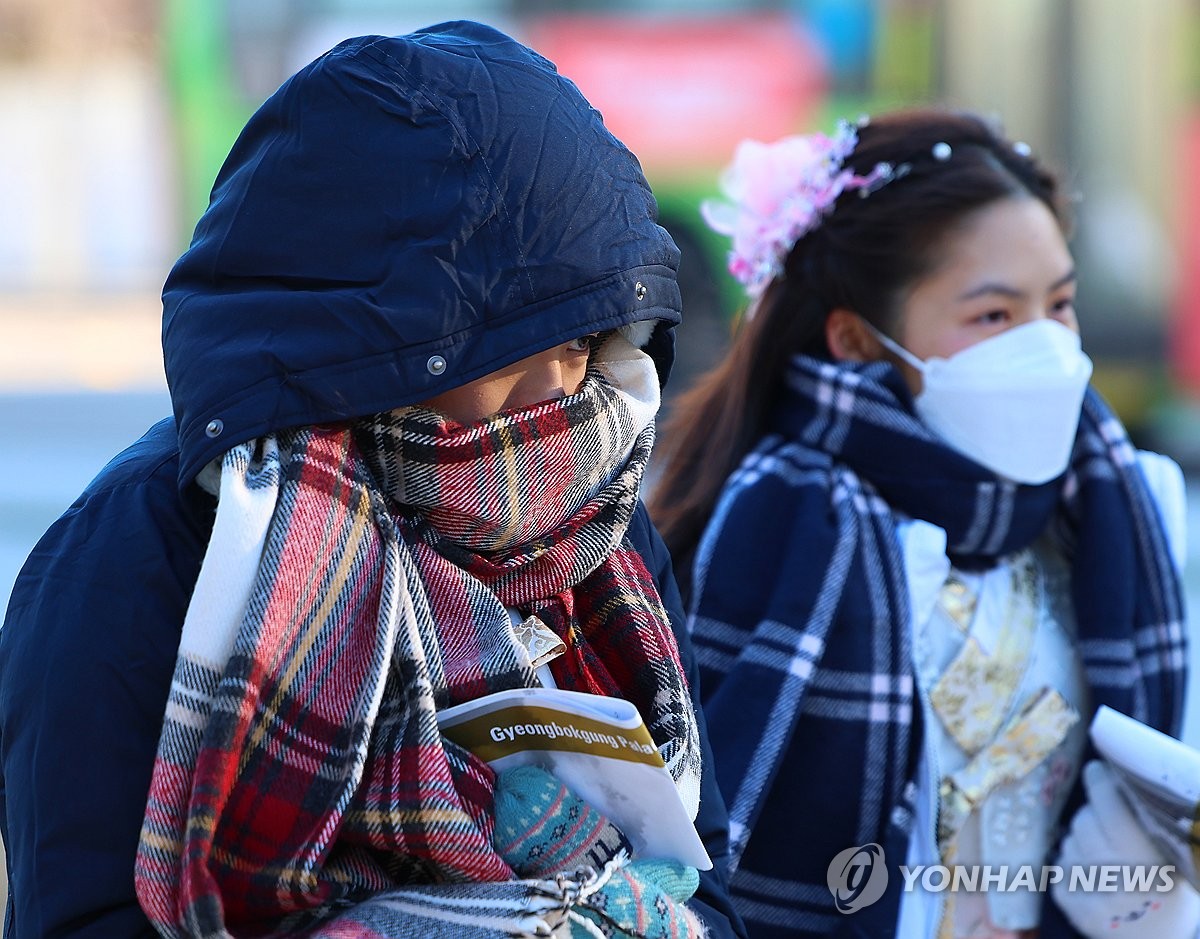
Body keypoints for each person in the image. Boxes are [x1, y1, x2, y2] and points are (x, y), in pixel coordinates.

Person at [0, 22, 745, 939]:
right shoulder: (146, 549)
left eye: (587, 343)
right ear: (387, 342)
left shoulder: (597, 526)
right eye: (527, 346)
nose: (565, 394)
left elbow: (706, 882)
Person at [648, 108, 1192, 938]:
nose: (1047, 348)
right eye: (994, 316)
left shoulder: (1127, 510)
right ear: (860, 340)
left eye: (1062, 303)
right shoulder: (780, 521)